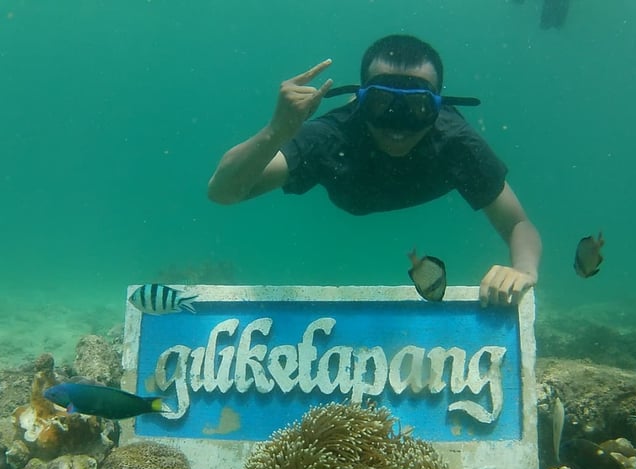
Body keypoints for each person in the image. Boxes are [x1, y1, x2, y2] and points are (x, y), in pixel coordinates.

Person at [208, 34, 541, 306]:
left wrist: (524, 270)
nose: (398, 124)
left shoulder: (457, 142)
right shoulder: (331, 137)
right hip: (350, 193)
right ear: (360, 99)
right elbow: (223, 192)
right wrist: (276, 131)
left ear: (438, 107)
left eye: (417, 107)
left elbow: (517, 224)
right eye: (382, 103)